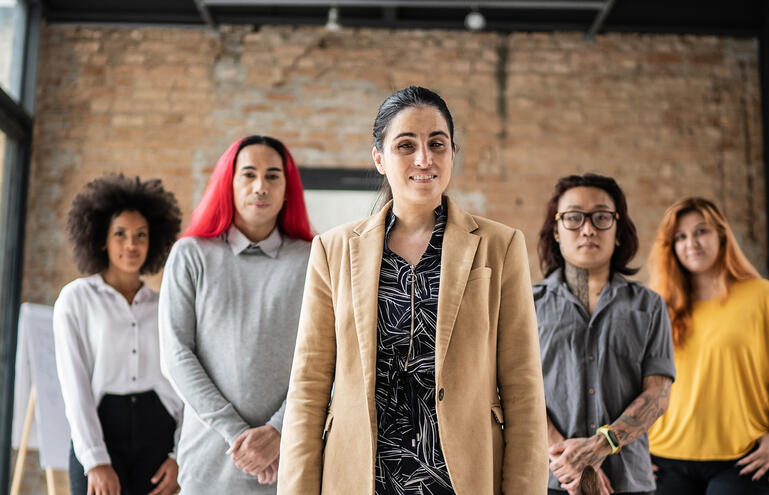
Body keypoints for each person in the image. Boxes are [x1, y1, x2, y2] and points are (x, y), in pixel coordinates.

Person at [277, 86, 547, 494]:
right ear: (380, 159)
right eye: (406, 145)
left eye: (437, 143)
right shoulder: (332, 250)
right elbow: (309, 386)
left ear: (452, 153)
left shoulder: (500, 245)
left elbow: (524, 389)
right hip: (362, 477)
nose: (424, 158)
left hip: (463, 478)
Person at [158, 135, 314, 494]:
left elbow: (327, 361)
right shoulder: (190, 255)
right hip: (208, 464)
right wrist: (239, 437)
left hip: (289, 459)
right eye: (248, 175)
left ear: (288, 189)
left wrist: (278, 430)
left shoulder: (313, 260)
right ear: (228, 184)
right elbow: (176, 356)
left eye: (273, 176)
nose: (261, 186)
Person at [647, 197, 769, 494]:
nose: (691, 243)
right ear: (671, 247)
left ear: (722, 235)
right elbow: (640, 384)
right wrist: (635, 451)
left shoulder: (763, 297)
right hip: (665, 462)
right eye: (680, 237)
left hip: (747, 459)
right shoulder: (659, 307)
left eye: (701, 231)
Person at [534, 173, 676, 495]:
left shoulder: (649, 306)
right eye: (573, 218)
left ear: (618, 230)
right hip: (549, 481)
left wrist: (599, 448)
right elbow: (512, 392)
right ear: (556, 230)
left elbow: (658, 395)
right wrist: (572, 463)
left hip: (629, 483)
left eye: (601, 217)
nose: (587, 229)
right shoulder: (526, 305)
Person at [54, 174, 183, 495]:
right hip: (101, 426)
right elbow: (75, 384)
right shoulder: (76, 299)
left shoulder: (165, 304)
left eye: (141, 235)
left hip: (158, 429)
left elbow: (182, 381)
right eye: (120, 234)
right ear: (101, 238)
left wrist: (180, 454)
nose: (132, 244)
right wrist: (95, 460)